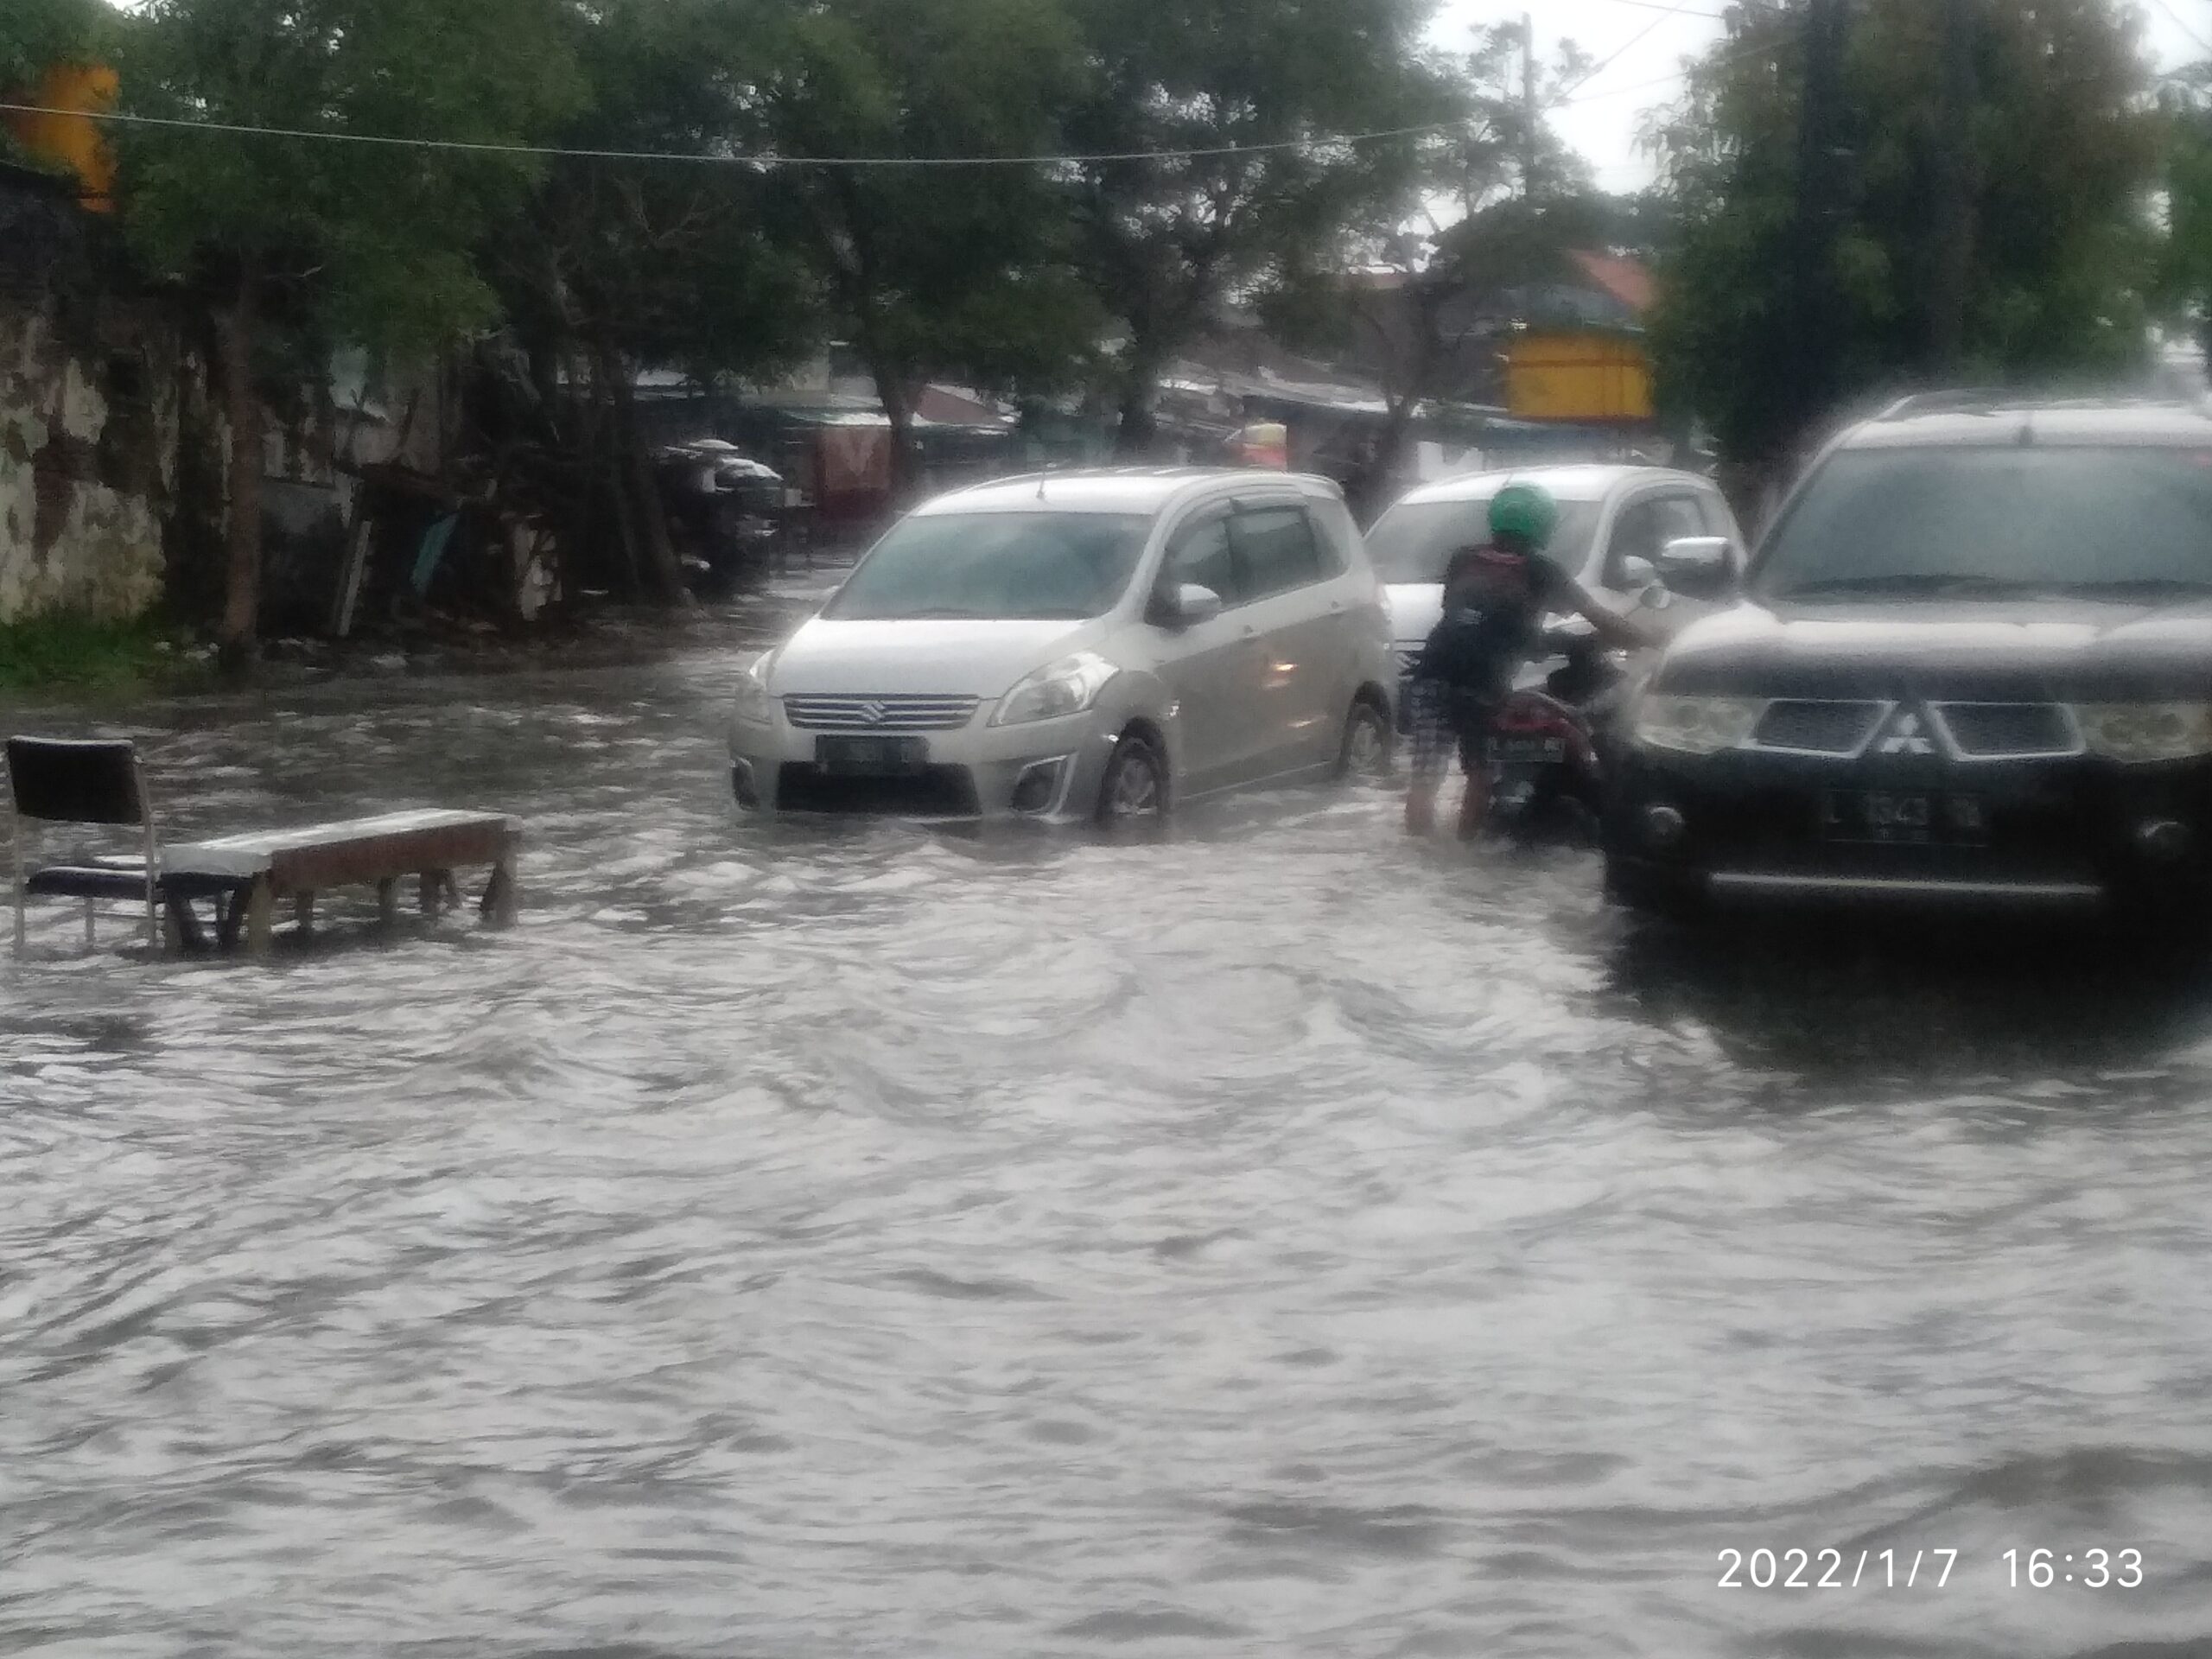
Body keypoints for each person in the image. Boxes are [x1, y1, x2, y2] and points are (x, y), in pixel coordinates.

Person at [1403, 481, 1662, 840]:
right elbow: (1598, 617)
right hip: (1482, 686)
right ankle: (1464, 852)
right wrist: (1651, 640)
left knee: (1424, 779)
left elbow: (1461, 614)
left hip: (1431, 674)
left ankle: (1419, 850)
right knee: (1480, 776)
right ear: (1543, 525)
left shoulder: (1463, 558)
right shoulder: (1542, 570)